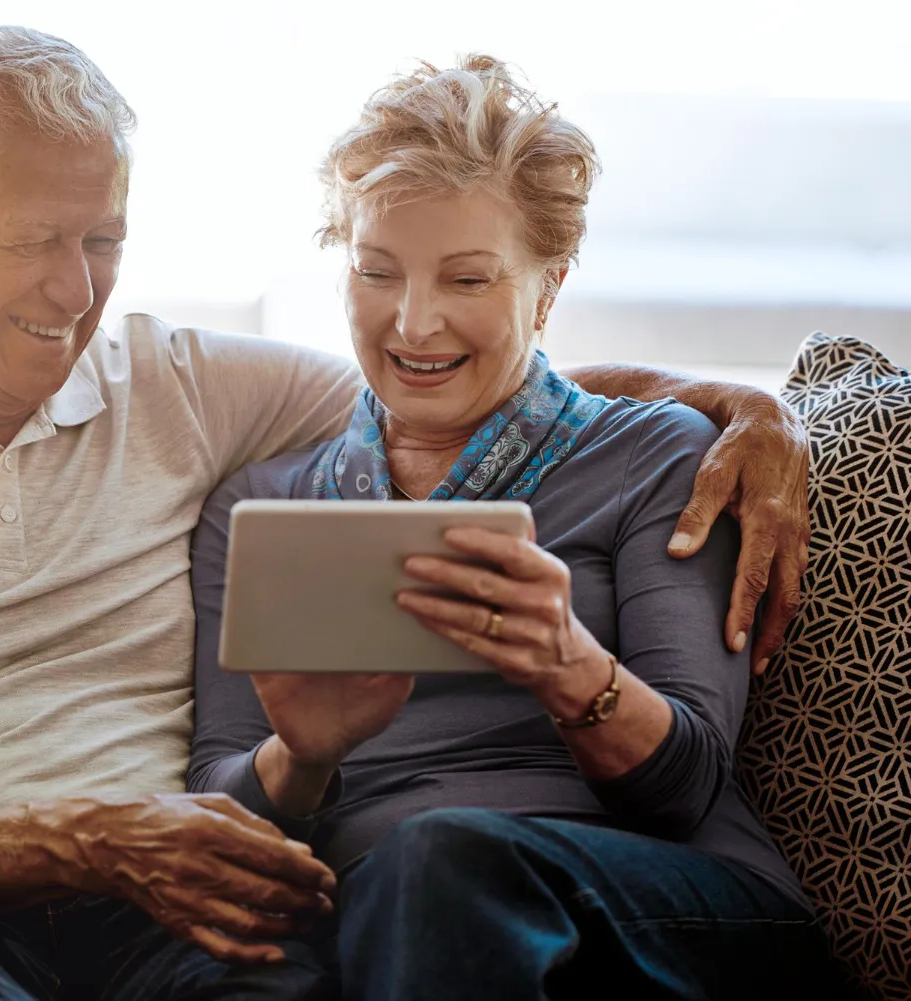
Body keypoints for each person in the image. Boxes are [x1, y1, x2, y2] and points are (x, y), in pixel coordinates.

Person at [0, 27, 813, 1001]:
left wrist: (738, 405)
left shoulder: (188, 391)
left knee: (366, 909)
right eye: (33, 239)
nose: (75, 293)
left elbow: (473, 390)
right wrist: (269, 768)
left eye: (103, 241)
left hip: (307, 908)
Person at [189, 56, 837, 1001]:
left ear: (547, 289)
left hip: (666, 915)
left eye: (467, 278)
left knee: (437, 860)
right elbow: (219, 813)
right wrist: (303, 756)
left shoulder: (658, 453)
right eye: (376, 271)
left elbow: (686, 784)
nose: (414, 323)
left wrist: (566, 665)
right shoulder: (259, 506)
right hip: (389, 925)